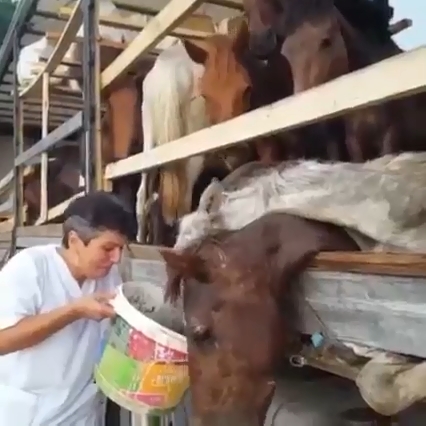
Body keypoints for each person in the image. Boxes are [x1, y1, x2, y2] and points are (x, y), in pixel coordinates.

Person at [0, 191, 137, 425]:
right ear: (74, 241)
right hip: (28, 417)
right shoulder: (30, 267)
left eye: (121, 249)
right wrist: (75, 311)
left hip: (81, 416)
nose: (116, 258)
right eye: (107, 248)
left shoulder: (110, 277)